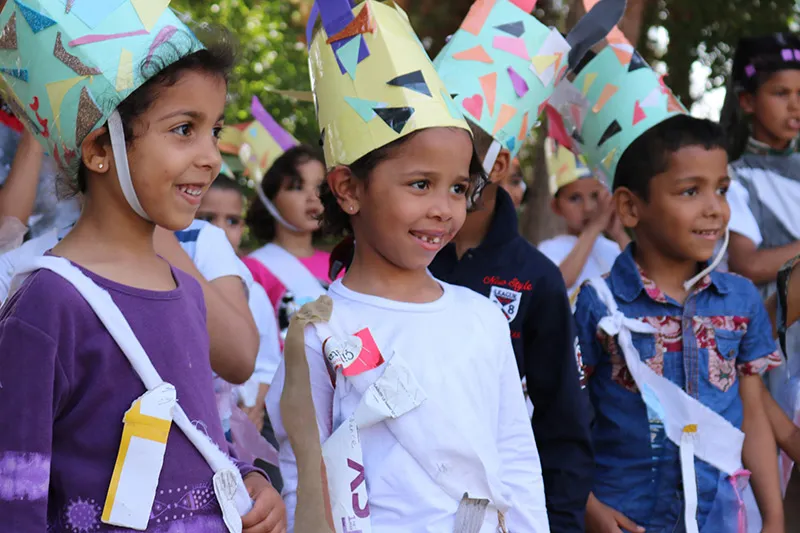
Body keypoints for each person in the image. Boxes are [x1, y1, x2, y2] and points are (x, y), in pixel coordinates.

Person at [267, 0, 549, 531]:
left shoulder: (483, 317)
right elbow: (305, 472)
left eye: (459, 188)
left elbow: (515, 456)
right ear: (348, 189)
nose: (445, 208)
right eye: (421, 184)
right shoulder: (321, 330)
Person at [0, 3, 283, 531]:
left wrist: (246, 478)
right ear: (99, 149)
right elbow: (15, 495)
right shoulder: (47, 304)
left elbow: (197, 435)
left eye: (215, 131)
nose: (211, 157)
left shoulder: (187, 292)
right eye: (184, 129)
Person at [561, 46, 783, 532]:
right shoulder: (598, 304)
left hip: (720, 518)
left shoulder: (741, 300)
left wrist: (774, 517)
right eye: (690, 191)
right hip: (624, 517)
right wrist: (587, 504)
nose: (714, 208)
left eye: (721, 189)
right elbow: (566, 415)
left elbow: (752, 413)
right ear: (630, 207)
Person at [429, 0, 625, 528]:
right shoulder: (394, 258)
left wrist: (559, 520)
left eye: (461, 145)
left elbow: (564, 424)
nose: (440, 161)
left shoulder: (536, 278)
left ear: (499, 163)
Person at [242, 143, 331, 341]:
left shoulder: (341, 265)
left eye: (320, 187)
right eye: (297, 187)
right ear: (270, 198)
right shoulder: (251, 269)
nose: (313, 197)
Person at [538, 138, 629, 300]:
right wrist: (594, 227)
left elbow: (648, 280)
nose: (587, 207)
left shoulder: (615, 249)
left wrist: (619, 233)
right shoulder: (549, 250)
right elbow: (560, 281)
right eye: (575, 198)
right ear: (556, 207)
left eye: (594, 196)